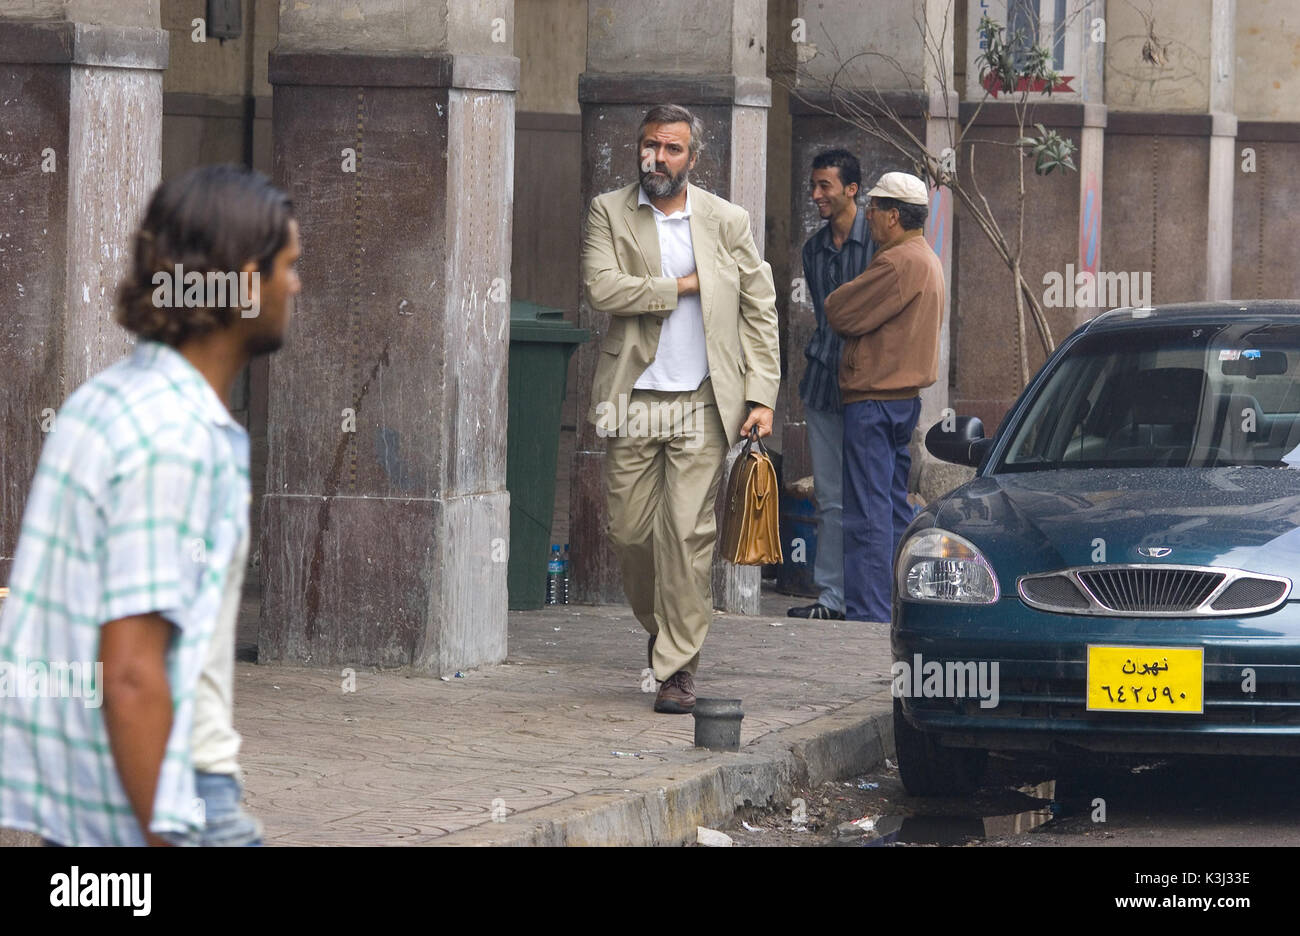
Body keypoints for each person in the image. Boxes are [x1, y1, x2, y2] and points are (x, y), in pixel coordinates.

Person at [0, 165, 300, 846]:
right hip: (174, 795)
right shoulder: (175, 436)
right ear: (243, 282)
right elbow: (131, 671)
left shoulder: (104, 401)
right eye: (289, 265)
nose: (297, 285)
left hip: (91, 801)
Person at [582, 104, 781, 714]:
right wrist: (683, 287)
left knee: (687, 534)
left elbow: (758, 308)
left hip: (703, 399)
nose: (658, 159)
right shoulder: (610, 211)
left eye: (672, 149)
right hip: (635, 399)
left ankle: (677, 668)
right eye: (650, 147)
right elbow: (602, 288)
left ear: (693, 158)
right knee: (630, 534)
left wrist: (762, 395)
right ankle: (663, 629)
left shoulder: (726, 220)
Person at [825, 171, 944, 623]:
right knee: (891, 508)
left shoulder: (897, 262)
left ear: (893, 216)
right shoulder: (924, 256)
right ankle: (892, 606)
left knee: (867, 514)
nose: (868, 216)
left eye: (874, 209)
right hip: (900, 400)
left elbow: (839, 310)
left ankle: (870, 612)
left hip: (874, 401)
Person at [788, 149, 875, 621]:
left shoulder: (880, 243)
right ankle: (831, 599)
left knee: (871, 495)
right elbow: (827, 319)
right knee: (830, 497)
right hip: (824, 382)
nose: (817, 195)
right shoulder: (813, 249)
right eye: (814, 185)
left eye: (826, 186)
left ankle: (870, 597)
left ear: (852, 189)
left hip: (872, 387)